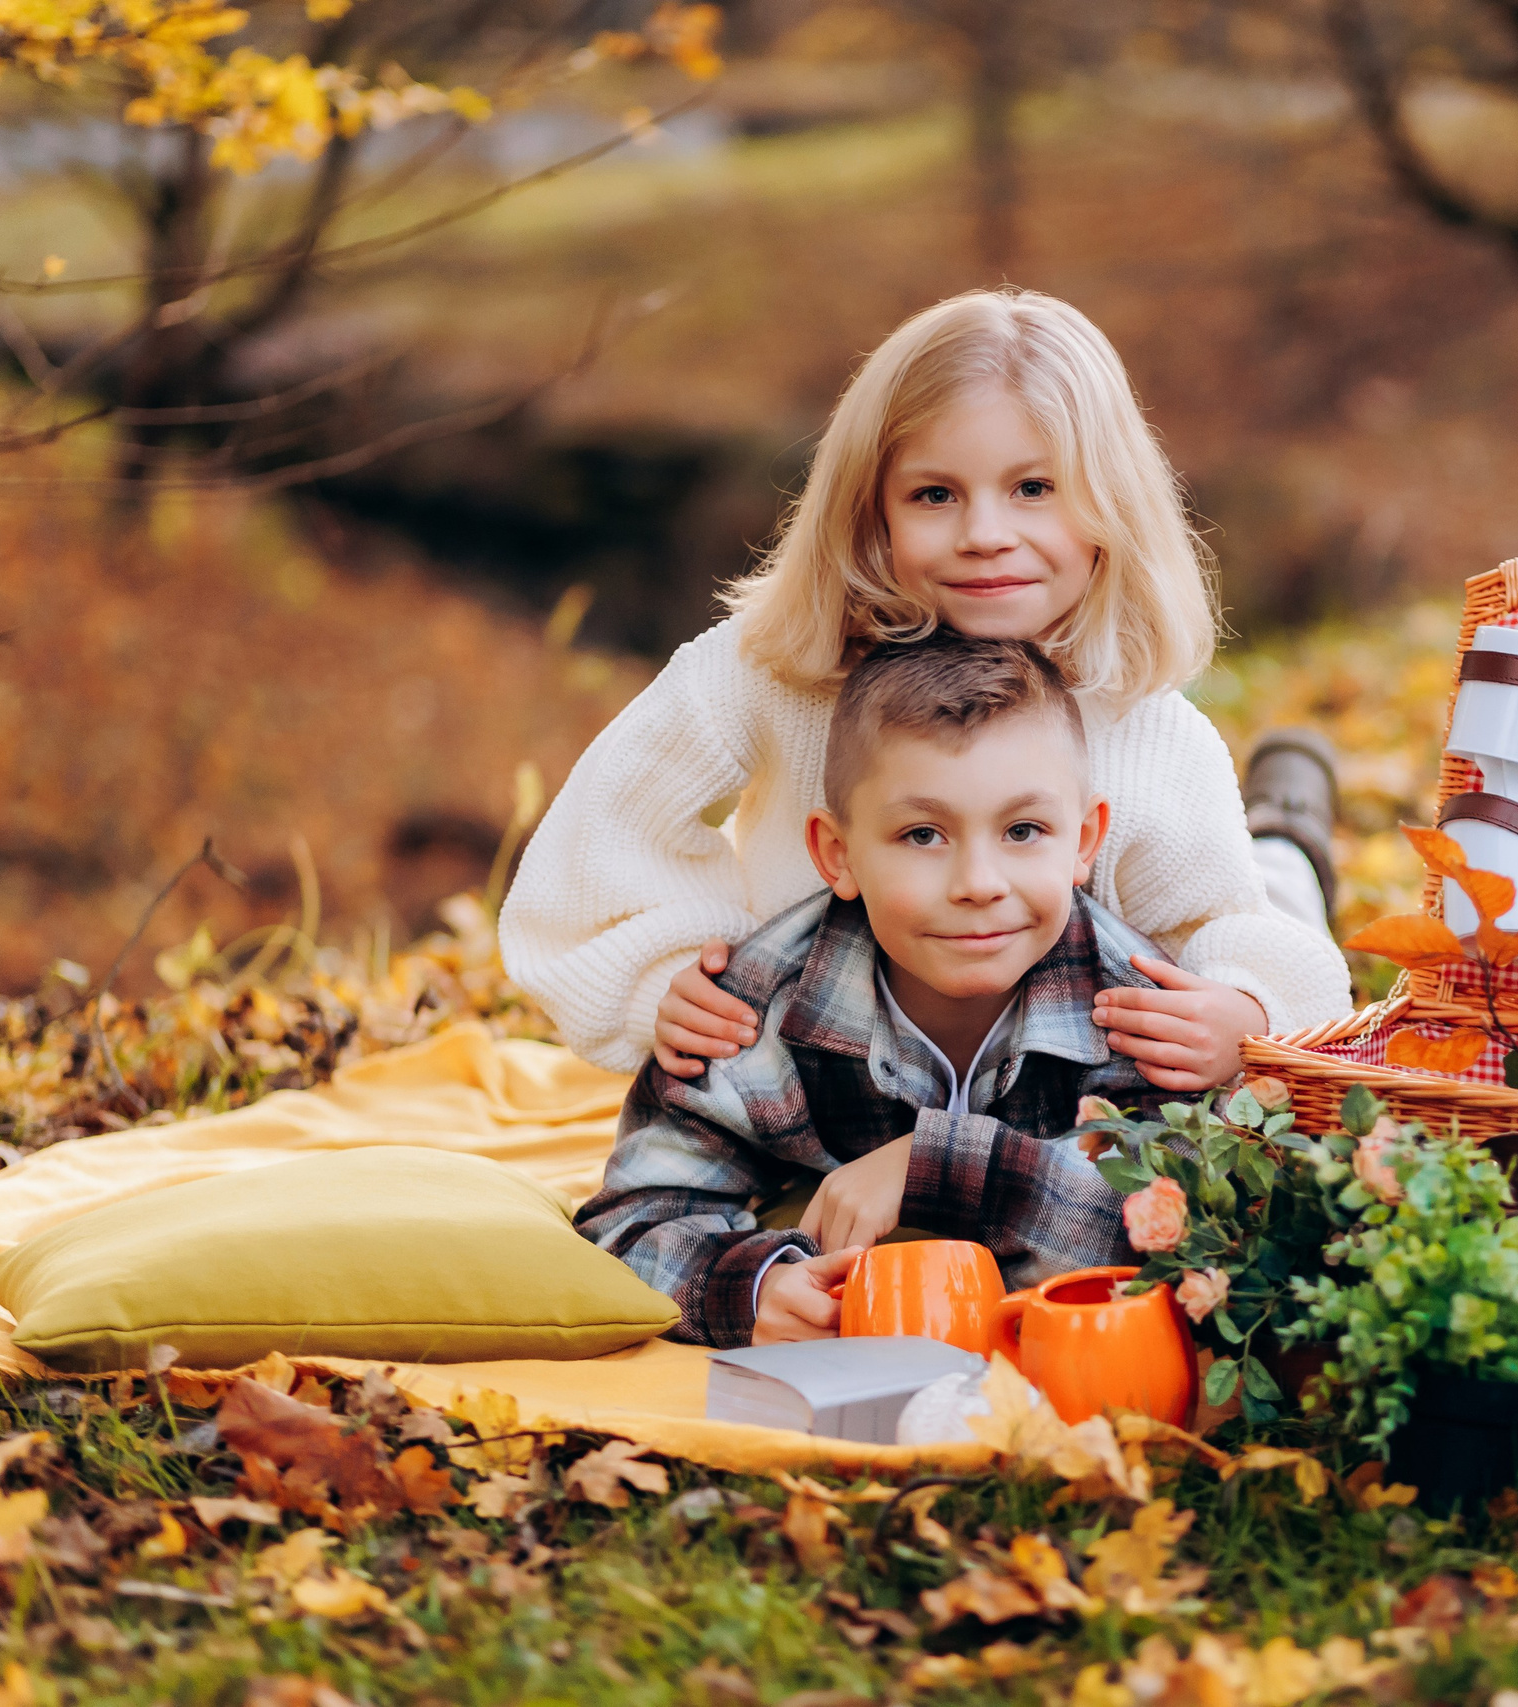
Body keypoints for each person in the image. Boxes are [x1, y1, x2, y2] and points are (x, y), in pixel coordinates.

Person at [501, 288, 1349, 1095]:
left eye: (1034, 488)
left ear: (1111, 506)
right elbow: (600, 835)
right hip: (841, 1082)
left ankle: (1290, 826)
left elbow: (1215, 929)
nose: (985, 535)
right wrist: (667, 973)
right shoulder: (769, 673)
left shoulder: (1152, 734)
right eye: (935, 494)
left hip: (1050, 1101)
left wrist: (1245, 1008)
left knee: (1279, 889)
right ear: (872, 512)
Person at [575, 635, 1191, 1348]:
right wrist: (752, 1286)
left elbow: (1176, 1238)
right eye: (924, 834)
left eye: (1024, 829)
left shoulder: (1136, 1007)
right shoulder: (757, 1005)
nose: (979, 884)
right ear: (838, 854)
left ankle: (1288, 836)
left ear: (1084, 841)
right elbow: (631, 1219)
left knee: (1284, 879)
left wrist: (942, 1164)